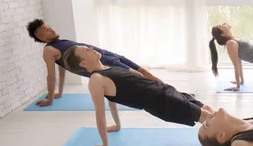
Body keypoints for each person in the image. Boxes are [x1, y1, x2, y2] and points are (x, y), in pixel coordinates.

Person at [62, 45, 214, 146]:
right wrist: (104, 144)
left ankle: (234, 130)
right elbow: (100, 113)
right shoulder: (96, 79)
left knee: (207, 109)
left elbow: (112, 101)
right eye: (85, 51)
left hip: (166, 91)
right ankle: (233, 138)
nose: (90, 49)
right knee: (206, 117)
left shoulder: (107, 69)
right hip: (161, 102)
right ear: (82, 63)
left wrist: (117, 125)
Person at [26, 19, 161, 107]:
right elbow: (51, 75)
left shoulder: (59, 43)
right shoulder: (48, 50)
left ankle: (167, 90)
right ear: (41, 37)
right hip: (105, 63)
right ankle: (162, 97)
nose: (51, 28)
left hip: (107, 54)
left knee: (143, 72)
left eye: (49, 26)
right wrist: (50, 98)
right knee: (139, 77)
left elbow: (61, 70)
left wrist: (59, 93)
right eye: (46, 29)